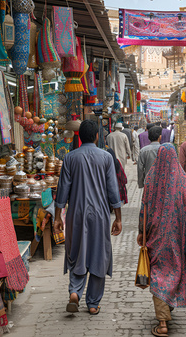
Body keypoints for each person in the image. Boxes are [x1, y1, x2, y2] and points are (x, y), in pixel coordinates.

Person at [54, 119, 122, 315]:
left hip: (76, 212)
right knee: (99, 254)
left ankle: (75, 292)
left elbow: (62, 190)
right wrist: (118, 218)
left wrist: (58, 216)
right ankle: (92, 303)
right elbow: (113, 190)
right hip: (100, 213)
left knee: (77, 251)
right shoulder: (106, 157)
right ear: (97, 136)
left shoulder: (70, 158)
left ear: (79, 137)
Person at [137, 143, 186, 337]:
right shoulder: (180, 179)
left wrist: (142, 231)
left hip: (155, 234)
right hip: (176, 235)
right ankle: (166, 308)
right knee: (173, 270)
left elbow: (144, 208)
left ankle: (162, 321)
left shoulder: (151, 177)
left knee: (158, 272)